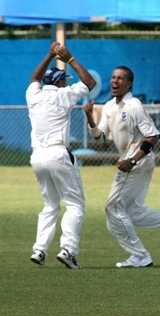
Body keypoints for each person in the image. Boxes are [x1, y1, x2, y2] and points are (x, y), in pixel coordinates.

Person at [83, 66, 160, 268]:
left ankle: (140, 256)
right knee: (132, 213)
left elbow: (152, 136)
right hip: (131, 161)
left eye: (120, 78)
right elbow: (99, 140)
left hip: (137, 161)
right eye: (113, 77)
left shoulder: (134, 105)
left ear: (129, 84)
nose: (114, 81)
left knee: (112, 209)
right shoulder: (109, 106)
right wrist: (89, 118)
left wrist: (133, 160)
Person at [27, 42, 97, 269]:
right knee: (75, 205)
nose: (67, 82)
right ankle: (68, 250)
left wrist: (49, 55)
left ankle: (39, 250)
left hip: (37, 158)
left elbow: (34, 79)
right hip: (58, 154)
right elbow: (90, 82)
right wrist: (69, 59)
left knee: (50, 206)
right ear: (59, 82)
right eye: (65, 79)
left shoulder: (34, 96)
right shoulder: (64, 94)